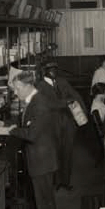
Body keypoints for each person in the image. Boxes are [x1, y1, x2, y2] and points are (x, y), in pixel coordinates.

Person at [8, 71, 60, 209]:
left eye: (17, 89)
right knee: (38, 200)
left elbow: (32, 134)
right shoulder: (33, 101)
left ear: (28, 86)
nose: (16, 93)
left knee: (45, 203)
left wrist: (12, 130)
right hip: (38, 158)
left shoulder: (40, 103)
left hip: (43, 161)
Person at [39, 61, 83, 192]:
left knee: (67, 152)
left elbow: (75, 96)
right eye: (50, 68)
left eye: (55, 68)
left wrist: (82, 114)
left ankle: (66, 181)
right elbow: (47, 104)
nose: (53, 71)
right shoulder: (40, 86)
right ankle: (56, 182)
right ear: (44, 71)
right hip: (52, 125)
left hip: (68, 122)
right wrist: (66, 102)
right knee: (55, 153)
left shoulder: (62, 82)